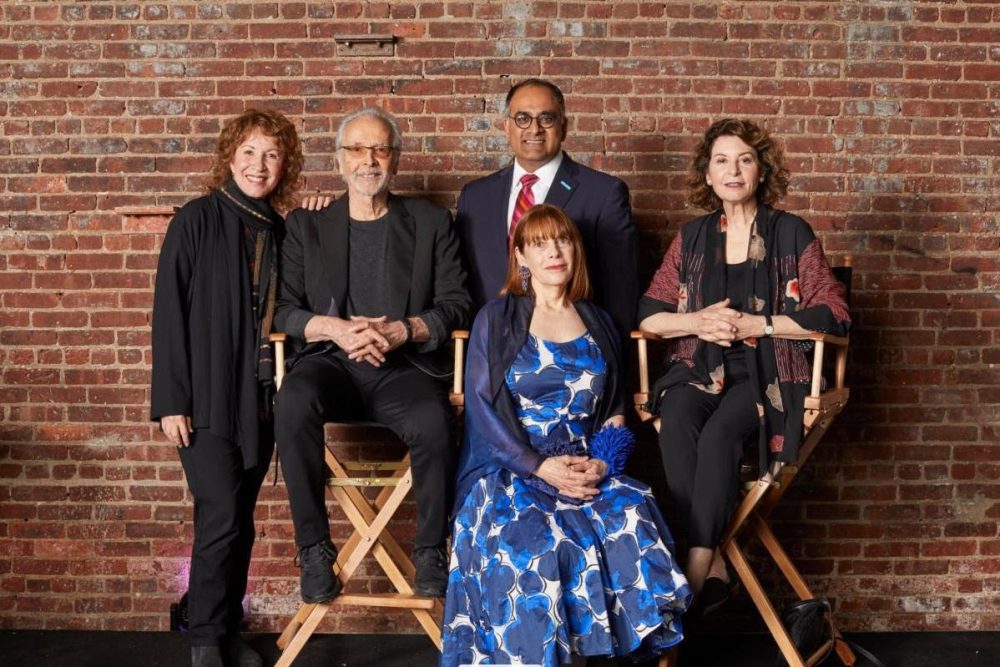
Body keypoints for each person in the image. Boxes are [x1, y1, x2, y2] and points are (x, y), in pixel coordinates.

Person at [441, 204, 691, 667]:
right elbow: (481, 411)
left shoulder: (599, 322)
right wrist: (538, 466)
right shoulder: (496, 319)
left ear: (576, 251)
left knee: (633, 516)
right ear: (521, 257)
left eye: (563, 241)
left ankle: (607, 657)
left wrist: (602, 463)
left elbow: (615, 409)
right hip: (511, 471)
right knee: (537, 546)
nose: (554, 252)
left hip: (584, 469)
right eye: (540, 244)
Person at [637, 118, 851, 616]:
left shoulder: (791, 232)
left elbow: (835, 313)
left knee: (718, 438)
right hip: (700, 364)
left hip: (770, 370)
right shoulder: (691, 237)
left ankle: (694, 570)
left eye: (745, 160)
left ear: (761, 170)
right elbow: (648, 314)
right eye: (722, 161)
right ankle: (716, 565)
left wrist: (763, 323)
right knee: (676, 424)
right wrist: (697, 321)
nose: (733, 171)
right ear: (707, 175)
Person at [273, 106, 471, 602]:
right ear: (339, 160)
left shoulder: (431, 222)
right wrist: (336, 330)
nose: (369, 160)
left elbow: (457, 304)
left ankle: (432, 549)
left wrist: (404, 330)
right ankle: (313, 549)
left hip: (404, 368)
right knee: (291, 401)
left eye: (380, 149)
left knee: (435, 420)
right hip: (330, 365)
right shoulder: (306, 225)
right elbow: (284, 311)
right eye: (357, 149)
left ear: (396, 159)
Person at [151, 109, 302, 667]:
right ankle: (204, 643)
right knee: (220, 516)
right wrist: (171, 402)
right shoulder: (196, 219)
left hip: (260, 401)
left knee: (241, 523)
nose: (258, 166)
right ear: (229, 158)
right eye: (249, 153)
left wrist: (313, 215)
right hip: (205, 401)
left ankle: (225, 629)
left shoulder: (283, 231)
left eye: (271, 155)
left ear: (285, 166)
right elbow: (168, 313)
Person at [456, 78, 639, 341]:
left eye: (546, 118)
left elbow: (621, 291)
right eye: (523, 118)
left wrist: (610, 354)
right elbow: (461, 285)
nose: (534, 129)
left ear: (563, 127)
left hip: (572, 348)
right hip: (490, 345)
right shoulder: (475, 197)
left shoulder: (604, 194)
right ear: (507, 127)